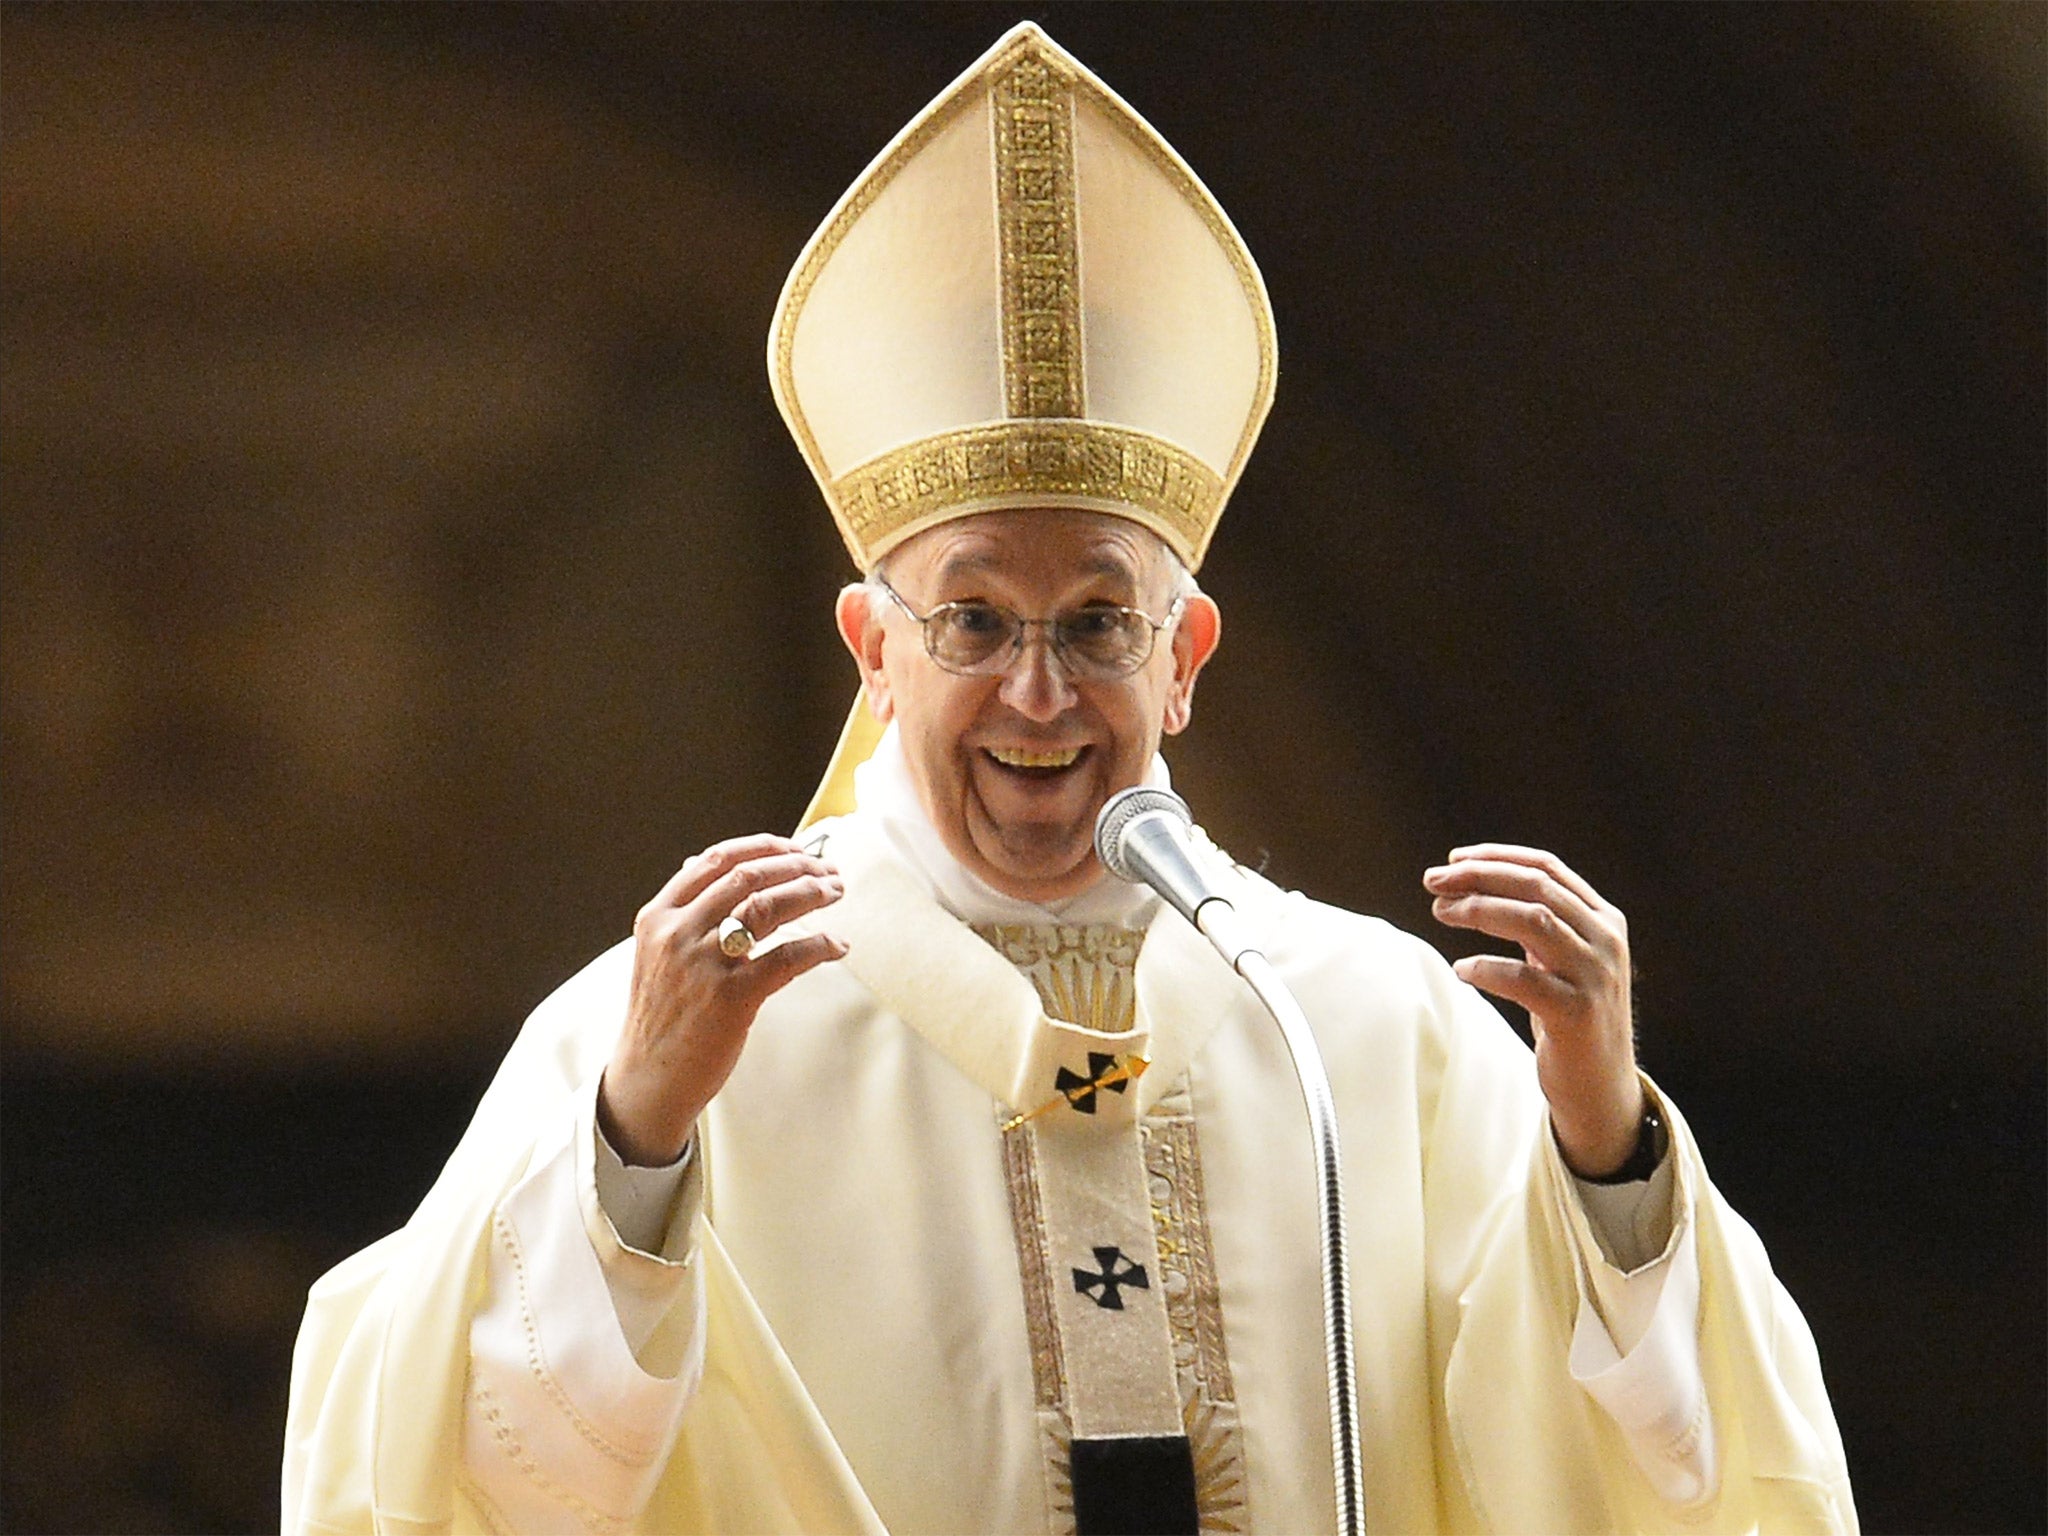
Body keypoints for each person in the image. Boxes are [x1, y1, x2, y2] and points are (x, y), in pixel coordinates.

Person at [283, 23, 1854, 1535]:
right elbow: (446, 1469)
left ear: (1186, 654)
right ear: (873, 649)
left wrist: (1603, 1149)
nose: (1039, 690)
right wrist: (633, 1151)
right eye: (973, 617)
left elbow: (1672, 1469)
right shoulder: (676, 1029)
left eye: (1100, 619)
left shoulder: (1364, 1035)